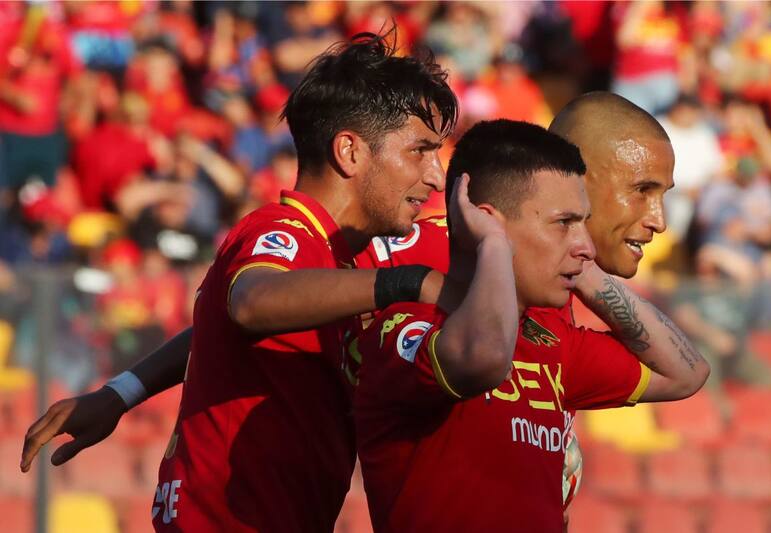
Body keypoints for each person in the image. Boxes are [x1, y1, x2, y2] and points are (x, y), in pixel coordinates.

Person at [21, 92, 677, 523]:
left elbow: (681, 371)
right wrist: (124, 390)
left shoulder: (555, 287)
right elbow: (268, 304)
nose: (659, 218)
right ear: (578, 176)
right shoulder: (433, 250)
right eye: (642, 189)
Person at [24, 30, 458, 533]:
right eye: (420, 151)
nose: (435, 175)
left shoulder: (333, 259)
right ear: (350, 152)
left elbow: (216, 325)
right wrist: (404, 282)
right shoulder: (282, 231)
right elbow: (252, 305)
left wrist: (121, 392)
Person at [353, 119, 709, 532]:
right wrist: (493, 246)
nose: (586, 246)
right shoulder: (406, 327)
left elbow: (686, 372)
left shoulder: (552, 342)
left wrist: (584, 272)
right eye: (564, 223)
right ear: (487, 221)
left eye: (583, 223)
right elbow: (485, 359)